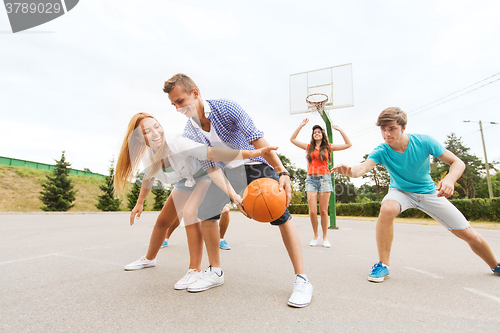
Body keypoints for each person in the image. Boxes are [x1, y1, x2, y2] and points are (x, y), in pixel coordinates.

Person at [164, 73, 313, 308]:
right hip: (224, 172)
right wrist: (232, 195)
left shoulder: (227, 108)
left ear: (195, 93)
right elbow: (211, 166)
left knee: (281, 215)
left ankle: (302, 279)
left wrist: (282, 171)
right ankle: (215, 272)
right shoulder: (190, 132)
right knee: (206, 213)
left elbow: (257, 140)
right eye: (173, 104)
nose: (177, 108)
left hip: (254, 165)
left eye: (180, 101)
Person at [332, 107, 500, 282]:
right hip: (400, 192)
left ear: (403, 127)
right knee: (387, 208)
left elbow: (457, 162)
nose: (386, 134)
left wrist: (450, 179)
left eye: (391, 129)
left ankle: (495, 265)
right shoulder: (382, 150)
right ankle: (383, 265)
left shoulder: (424, 141)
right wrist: (351, 172)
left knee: (469, 234)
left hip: (428, 192)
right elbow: (362, 168)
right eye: (383, 129)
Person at [114, 113, 276, 290]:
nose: (155, 132)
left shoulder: (177, 142)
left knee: (191, 213)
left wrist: (249, 154)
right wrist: (140, 202)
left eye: (156, 126)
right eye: (147, 131)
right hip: (187, 180)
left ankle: (195, 270)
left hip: (206, 174)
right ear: (138, 137)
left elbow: (211, 153)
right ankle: (149, 259)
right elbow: (148, 177)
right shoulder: (149, 155)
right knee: (163, 221)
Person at [290, 118, 352, 247]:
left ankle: (324, 237)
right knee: (312, 211)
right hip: (311, 180)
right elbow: (292, 139)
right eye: (314, 132)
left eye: (319, 132)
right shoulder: (308, 147)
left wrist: (340, 130)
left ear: (322, 134)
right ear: (313, 136)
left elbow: (348, 144)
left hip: (325, 179)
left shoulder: (329, 147)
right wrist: (300, 125)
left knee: (323, 211)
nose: (316, 134)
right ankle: (315, 235)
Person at [160, 205, 231, 250]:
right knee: (181, 212)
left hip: (214, 194)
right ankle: (165, 238)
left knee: (226, 211)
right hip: (197, 191)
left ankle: (220, 239)